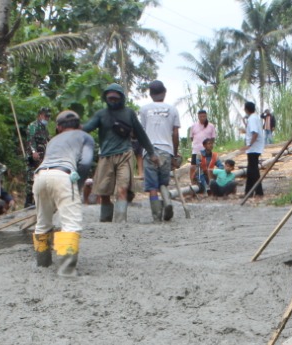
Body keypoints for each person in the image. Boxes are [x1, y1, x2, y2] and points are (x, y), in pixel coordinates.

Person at [31, 110, 95, 277]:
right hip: (63, 175)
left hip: (39, 176)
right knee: (71, 223)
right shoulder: (84, 137)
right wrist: (78, 185)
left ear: (58, 127)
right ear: (80, 125)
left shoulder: (52, 140)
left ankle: (43, 263)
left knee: (43, 222)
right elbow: (86, 162)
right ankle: (66, 270)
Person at [82, 83, 157, 223]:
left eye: (116, 99)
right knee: (104, 192)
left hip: (125, 154)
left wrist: (152, 153)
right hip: (106, 156)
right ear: (106, 98)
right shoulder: (101, 115)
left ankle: (120, 222)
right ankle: (105, 220)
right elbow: (87, 127)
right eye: (110, 98)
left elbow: (141, 134)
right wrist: (73, 127)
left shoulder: (129, 113)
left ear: (121, 98)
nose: (113, 101)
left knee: (122, 189)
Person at [138, 79, 181, 222]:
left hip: (150, 152)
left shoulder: (144, 110)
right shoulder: (173, 109)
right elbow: (175, 134)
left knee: (152, 186)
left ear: (150, 94)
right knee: (163, 183)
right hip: (166, 151)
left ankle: (156, 215)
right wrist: (174, 154)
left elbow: (142, 133)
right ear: (164, 92)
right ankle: (167, 202)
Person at [24, 107, 51, 208]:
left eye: (48, 116)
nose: (47, 118)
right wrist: (34, 152)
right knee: (31, 178)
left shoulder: (44, 128)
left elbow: (48, 139)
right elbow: (30, 140)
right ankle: (28, 201)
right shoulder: (33, 126)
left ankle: (37, 201)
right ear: (40, 115)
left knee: (40, 177)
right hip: (33, 156)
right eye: (46, 116)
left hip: (42, 157)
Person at [241, 101, 266, 197]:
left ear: (246, 109)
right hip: (255, 147)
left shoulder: (252, 118)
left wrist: (249, 145)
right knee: (252, 170)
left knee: (253, 170)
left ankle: (257, 191)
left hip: (254, 148)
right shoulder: (255, 117)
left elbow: (255, 133)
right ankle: (250, 192)